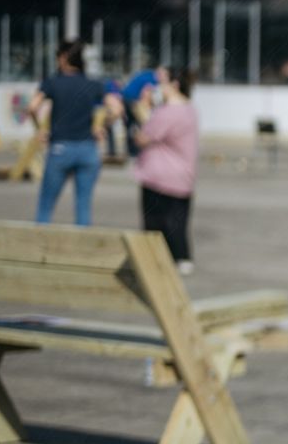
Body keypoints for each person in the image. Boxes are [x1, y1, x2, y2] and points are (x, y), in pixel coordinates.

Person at [31, 40, 122, 226]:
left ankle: (38, 248)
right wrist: (103, 126)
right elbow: (117, 108)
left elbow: (33, 107)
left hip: (60, 148)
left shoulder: (52, 82)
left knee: (46, 206)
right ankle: (83, 250)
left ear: (64, 58)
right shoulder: (93, 84)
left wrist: (40, 130)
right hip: (88, 150)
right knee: (83, 206)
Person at [133, 70, 199, 275]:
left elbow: (143, 138)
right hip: (183, 177)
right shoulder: (190, 110)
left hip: (158, 176)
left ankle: (156, 263)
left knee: (154, 224)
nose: (157, 88)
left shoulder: (167, 112)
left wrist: (143, 110)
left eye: (162, 83)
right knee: (178, 223)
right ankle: (183, 258)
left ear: (174, 84)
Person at [120, 63, 169, 155]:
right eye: (165, 75)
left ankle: (131, 150)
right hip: (132, 100)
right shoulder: (152, 80)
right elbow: (146, 96)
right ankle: (137, 150)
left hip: (125, 98)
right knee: (141, 124)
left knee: (130, 125)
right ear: (159, 73)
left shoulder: (147, 74)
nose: (165, 78)